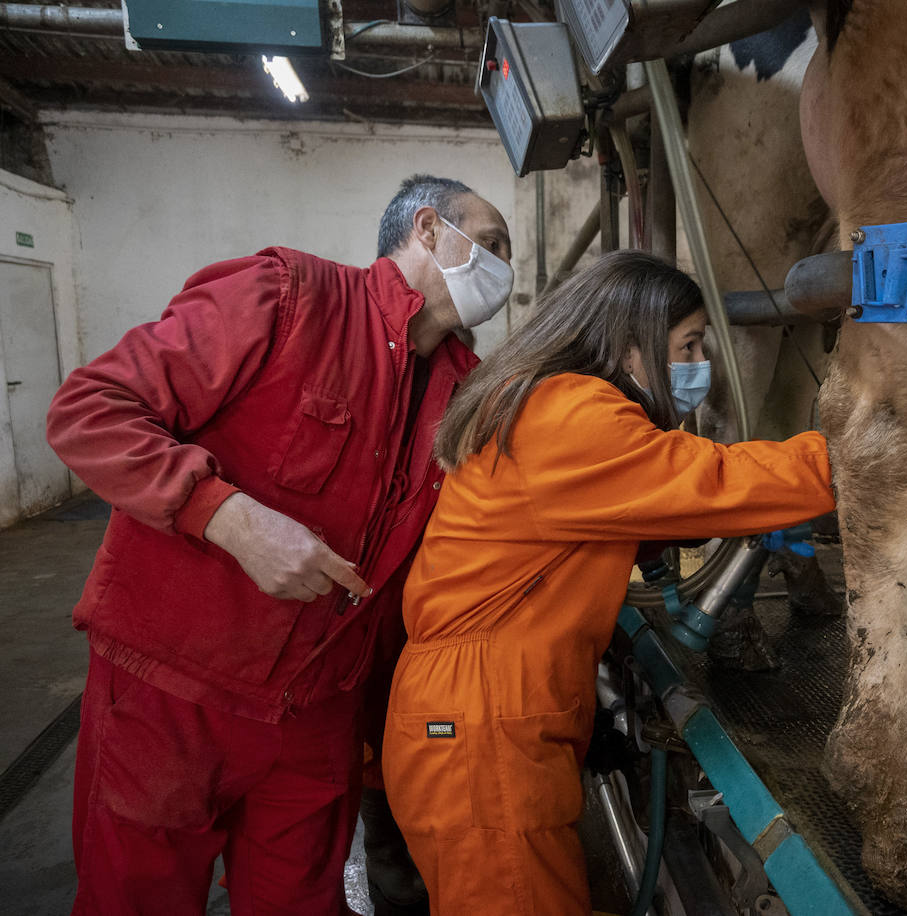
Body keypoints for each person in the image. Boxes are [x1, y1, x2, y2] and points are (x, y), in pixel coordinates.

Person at [45, 174, 512, 916]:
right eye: (489, 244)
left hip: (318, 714)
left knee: (300, 902)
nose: (502, 272)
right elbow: (88, 410)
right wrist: (226, 516)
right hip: (175, 690)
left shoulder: (467, 392)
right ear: (427, 230)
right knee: (136, 897)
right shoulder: (287, 296)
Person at [381, 250, 835, 914]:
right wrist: (850, 455)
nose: (696, 362)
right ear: (629, 346)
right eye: (686, 344)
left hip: (482, 711)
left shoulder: (540, 396)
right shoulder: (568, 410)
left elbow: (601, 518)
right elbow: (709, 480)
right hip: (480, 729)